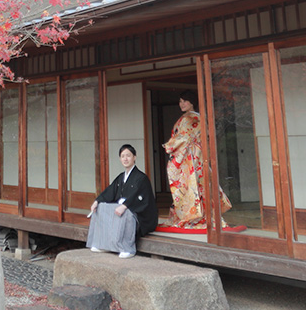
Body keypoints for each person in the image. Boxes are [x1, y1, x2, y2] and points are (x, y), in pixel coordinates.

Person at [163, 93, 246, 232]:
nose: (182, 104)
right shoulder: (191, 118)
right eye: (180, 101)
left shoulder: (193, 118)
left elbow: (184, 138)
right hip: (192, 155)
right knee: (195, 185)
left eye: (185, 101)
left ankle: (199, 217)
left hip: (192, 156)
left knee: (195, 185)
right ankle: (196, 215)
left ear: (192, 103)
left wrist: (169, 146)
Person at [86, 144, 158, 258]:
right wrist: (97, 201)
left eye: (128, 155)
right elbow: (110, 191)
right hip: (122, 210)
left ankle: (128, 248)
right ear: (120, 159)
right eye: (122, 156)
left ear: (134, 157)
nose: (125, 159)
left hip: (141, 216)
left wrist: (125, 206)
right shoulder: (121, 177)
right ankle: (102, 244)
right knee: (101, 208)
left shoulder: (141, 178)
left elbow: (139, 198)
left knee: (128, 212)